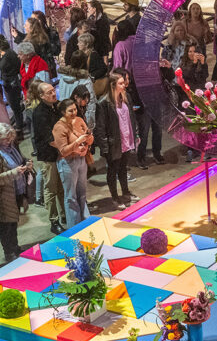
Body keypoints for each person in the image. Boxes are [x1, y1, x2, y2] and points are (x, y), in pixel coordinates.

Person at [0, 123, 29, 264]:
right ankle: (8, 251)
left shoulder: (11, 148)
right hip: (3, 194)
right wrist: (15, 172)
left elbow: (19, 161)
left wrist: (27, 164)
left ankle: (15, 247)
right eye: (6, 139)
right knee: (6, 224)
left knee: (14, 221)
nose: (9, 142)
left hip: (15, 190)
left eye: (10, 138)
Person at [94, 72, 139, 208]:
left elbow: (131, 117)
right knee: (113, 170)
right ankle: (115, 197)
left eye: (123, 82)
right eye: (120, 83)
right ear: (113, 85)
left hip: (126, 139)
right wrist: (105, 147)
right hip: (114, 143)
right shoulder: (104, 103)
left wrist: (135, 134)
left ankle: (125, 192)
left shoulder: (126, 97)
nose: (124, 85)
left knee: (123, 168)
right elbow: (100, 128)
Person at [31, 82, 66, 234]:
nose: (53, 94)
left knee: (62, 187)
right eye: (49, 92)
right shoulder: (39, 113)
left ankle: (65, 214)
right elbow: (48, 137)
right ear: (41, 96)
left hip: (60, 153)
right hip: (48, 155)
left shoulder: (56, 107)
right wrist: (65, 148)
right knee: (51, 189)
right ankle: (54, 220)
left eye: (54, 90)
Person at [52, 99, 93, 229]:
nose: (74, 112)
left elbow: (89, 139)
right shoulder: (59, 127)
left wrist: (87, 141)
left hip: (81, 160)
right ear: (63, 112)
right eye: (71, 110)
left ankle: (86, 221)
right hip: (67, 163)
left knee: (82, 193)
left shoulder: (79, 121)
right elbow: (63, 150)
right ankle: (75, 227)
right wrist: (78, 142)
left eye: (75, 109)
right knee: (71, 197)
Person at [0, 34, 24, 131]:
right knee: (12, 104)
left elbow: (18, 67)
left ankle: (19, 127)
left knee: (15, 105)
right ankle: (18, 122)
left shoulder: (10, 54)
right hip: (6, 82)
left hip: (13, 83)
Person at [57, 51, 97, 128]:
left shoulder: (62, 77)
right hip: (80, 119)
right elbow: (90, 102)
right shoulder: (85, 80)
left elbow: (61, 97)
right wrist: (90, 125)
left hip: (66, 117)